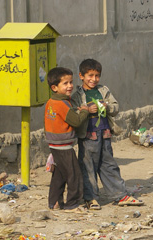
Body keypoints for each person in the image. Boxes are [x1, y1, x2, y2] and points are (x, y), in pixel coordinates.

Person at [71, 58, 144, 210]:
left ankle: (119, 194)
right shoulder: (77, 95)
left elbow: (116, 107)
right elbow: (73, 113)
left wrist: (107, 106)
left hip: (104, 134)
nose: (94, 79)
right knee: (88, 167)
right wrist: (86, 109)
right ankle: (91, 198)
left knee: (109, 164)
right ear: (81, 76)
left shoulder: (103, 90)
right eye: (90, 75)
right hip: (87, 136)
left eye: (97, 76)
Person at [44, 67, 89, 211]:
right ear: (54, 87)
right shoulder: (62, 104)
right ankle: (72, 204)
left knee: (60, 175)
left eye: (71, 82)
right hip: (63, 146)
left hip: (54, 145)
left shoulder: (51, 102)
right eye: (65, 83)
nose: (70, 86)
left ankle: (55, 202)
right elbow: (75, 121)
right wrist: (85, 111)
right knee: (74, 176)